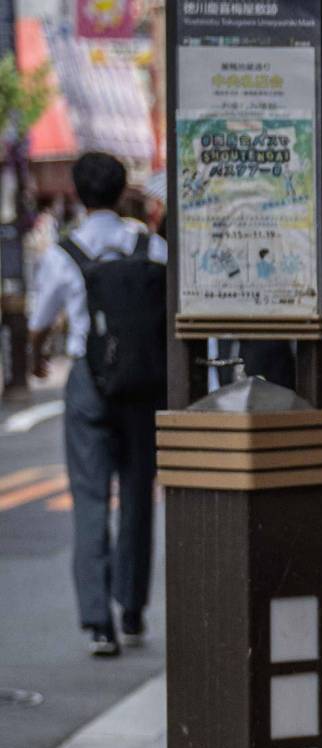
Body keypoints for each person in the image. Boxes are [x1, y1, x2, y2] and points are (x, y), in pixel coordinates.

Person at [27, 152, 167, 657]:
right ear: (121, 189)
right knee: (136, 493)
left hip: (90, 379)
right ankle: (132, 610)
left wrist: (37, 355)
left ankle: (98, 624)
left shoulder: (63, 254)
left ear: (80, 193)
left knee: (90, 498)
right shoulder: (153, 247)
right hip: (142, 382)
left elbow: (42, 318)